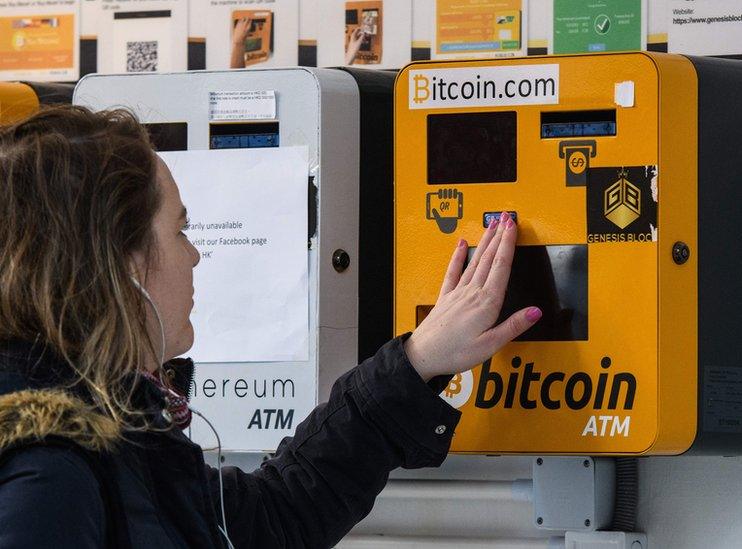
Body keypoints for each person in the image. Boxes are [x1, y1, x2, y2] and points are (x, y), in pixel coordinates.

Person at [0, 106, 541, 547]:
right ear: (121, 260)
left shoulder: (112, 426)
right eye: (179, 230)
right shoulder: (48, 474)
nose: (193, 256)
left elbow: (270, 520)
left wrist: (418, 360)